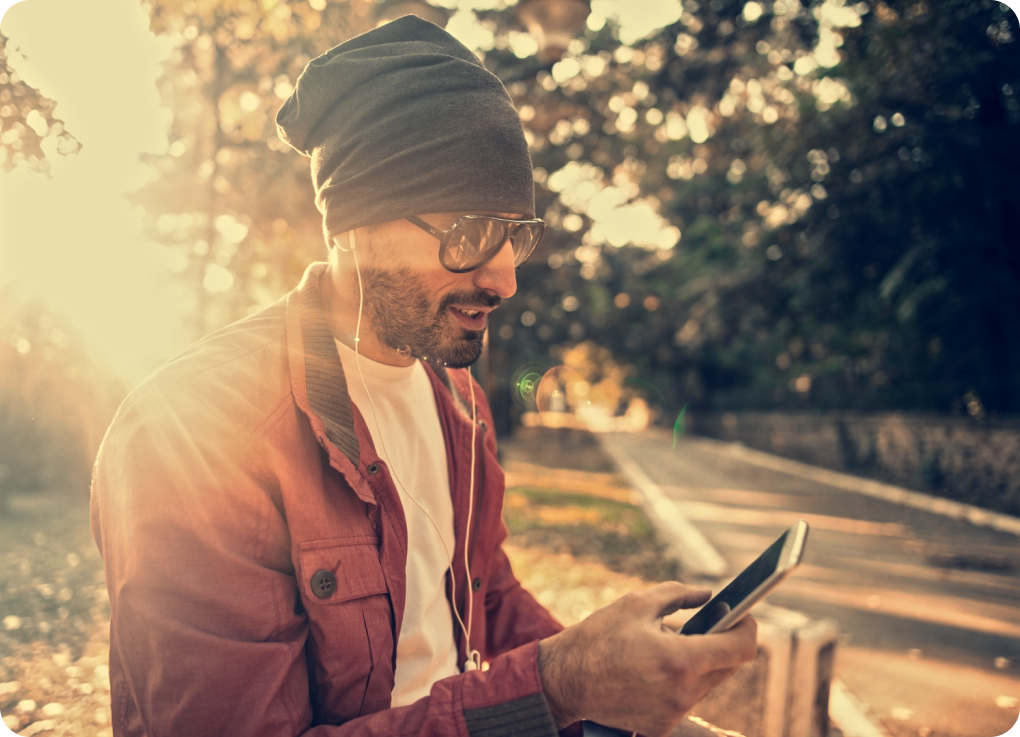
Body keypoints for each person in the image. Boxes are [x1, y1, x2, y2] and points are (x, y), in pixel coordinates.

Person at [90, 16, 757, 737]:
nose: (502, 277)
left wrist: (608, 689)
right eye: (469, 234)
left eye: (515, 234)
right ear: (354, 225)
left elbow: (485, 596)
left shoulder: (457, 398)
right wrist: (558, 684)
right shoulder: (191, 435)